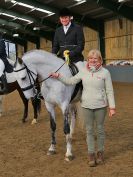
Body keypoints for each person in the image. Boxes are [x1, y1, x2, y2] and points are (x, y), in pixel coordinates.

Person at [50, 49, 116, 167]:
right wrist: (58, 76)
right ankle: (91, 154)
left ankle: (100, 153)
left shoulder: (105, 73)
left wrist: (112, 107)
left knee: (100, 130)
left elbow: (110, 91)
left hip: (101, 106)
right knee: (89, 131)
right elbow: (70, 81)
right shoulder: (83, 71)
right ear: (88, 60)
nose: (93, 60)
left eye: (95, 58)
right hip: (86, 105)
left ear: (100, 59)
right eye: (91, 58)